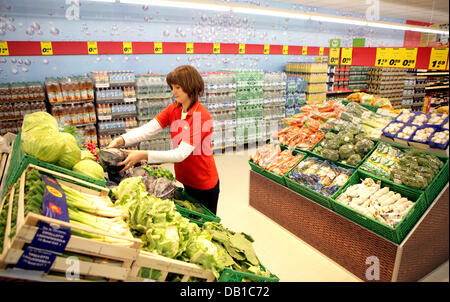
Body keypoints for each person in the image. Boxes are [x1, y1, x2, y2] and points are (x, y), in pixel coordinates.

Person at [107, 65, 220, 214]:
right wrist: (121, 140)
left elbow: (180, 154)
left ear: (190, 86)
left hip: (204, 184)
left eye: (177, 87)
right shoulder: (174, 109)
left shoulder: (200, 116)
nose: (173, 92)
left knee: (205, 225)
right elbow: (148, 129)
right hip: (186, 179)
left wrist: (143, 155)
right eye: (172, 87)